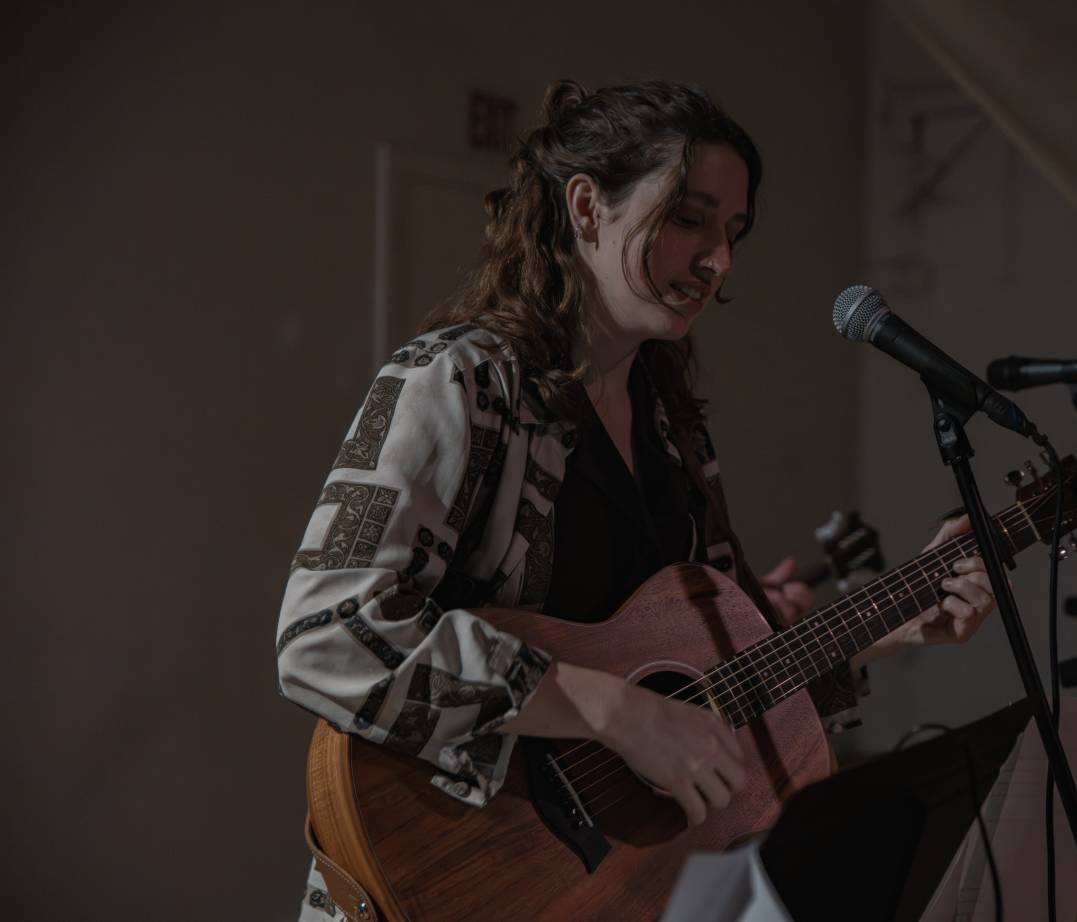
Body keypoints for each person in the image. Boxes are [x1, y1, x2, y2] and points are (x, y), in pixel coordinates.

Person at [275, 78, 996, 921]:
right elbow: (324, 634)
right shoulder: (459, 382)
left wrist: (897, 625)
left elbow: (720, 690)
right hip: (452, 874)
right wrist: (609, 708)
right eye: (689, 219)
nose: (718, 262)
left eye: (732, 233)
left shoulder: (671, 426)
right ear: (585, 205)